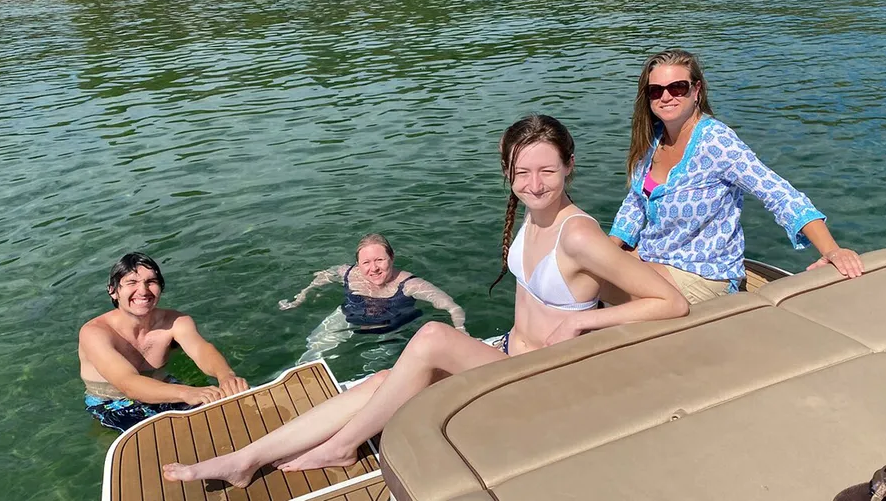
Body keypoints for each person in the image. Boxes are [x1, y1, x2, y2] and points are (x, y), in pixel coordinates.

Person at [161, 114, 686, 486]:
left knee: (432, 336)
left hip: (544, 382)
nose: (534, 183)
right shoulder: (533, 216)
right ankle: (247, 457)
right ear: (508, 172)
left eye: (547, 170)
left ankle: (343, 447)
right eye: (521, 172)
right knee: (382, 381)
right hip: (509, 357)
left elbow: (669, 302)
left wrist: (584, 325)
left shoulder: (578, 235)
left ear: (570, 165)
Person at [608, 49, 864, 304]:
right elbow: (635, 204)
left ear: (696, 91)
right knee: (578, 261)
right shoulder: (652, 139)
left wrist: (832, 250)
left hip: (700, 274)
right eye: (656, 90)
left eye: (677, 87)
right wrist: (611, 245)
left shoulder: (715, 142)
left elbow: (777, 192)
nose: (666, 97)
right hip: (652, 256)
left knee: (587, 281)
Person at [78, 252, 249, 432]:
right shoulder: (95, 333)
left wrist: (226, 376)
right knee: (168, 441)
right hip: (113, 403)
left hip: (167, 390)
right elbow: (127, 383)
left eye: (151, 282)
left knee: (232, 418)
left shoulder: (176, 321)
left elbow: (202, 350)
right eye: (132, 282)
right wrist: (187, 392)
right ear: (113, 291)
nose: (143, 291)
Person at [279, 234, 467, 363]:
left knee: (375, 363)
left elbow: (452, 307)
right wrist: (300, 298)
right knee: (313, 348)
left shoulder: (410, 284)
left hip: (391, 328)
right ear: (358, 264)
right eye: (366, 262)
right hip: (348, 318)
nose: (374, 268)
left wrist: (460, 329)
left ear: (391, 258)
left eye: (380, 260)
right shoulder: (349, 273)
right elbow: (325, 275)